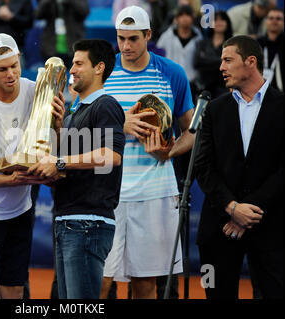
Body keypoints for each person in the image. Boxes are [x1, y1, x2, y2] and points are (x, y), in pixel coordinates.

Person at [100, 5, 195, 299]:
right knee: (99, 282)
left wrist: (169, 152)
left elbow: (192, 131)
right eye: (121, 38)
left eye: (134, 39)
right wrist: (121, 124)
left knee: (146, 285)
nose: (126, 46)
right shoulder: (101, 70)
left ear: (148, 35)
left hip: (155, 192)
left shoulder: (172, 73)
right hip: (107, 192)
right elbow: (80, 132)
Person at [0, 33, 64, 299]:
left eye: (14, 65)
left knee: (14, 289)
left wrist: (58, 126)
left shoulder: (35, 92)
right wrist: (12, 181)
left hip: (19, 209)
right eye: (2, 69)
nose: (11, 74)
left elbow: (52, 146)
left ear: (20, 59)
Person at [28, 39, 126, 299]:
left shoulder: (105, 105)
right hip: (67, 221)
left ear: (99, 68)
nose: (71, 70)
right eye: (72, 63)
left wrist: (58, 163)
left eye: (79, 63)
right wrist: (43, 166)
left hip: (87, 223)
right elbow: (67, 164)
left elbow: (111, 155)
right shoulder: (73, 115)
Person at [195, 35, 284, 299]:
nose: (220, 67)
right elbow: (203, 167)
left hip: (270, 229)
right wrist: (232, 208)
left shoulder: (282, 107)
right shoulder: (213, 109)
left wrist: (249, 212)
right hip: (219, 228)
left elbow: (283, 170)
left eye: (227, 60)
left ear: (250, 62)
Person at [157, 5, 203, 99]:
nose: (184, 18)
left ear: (192, 18)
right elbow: (158, 56)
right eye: (181, 15)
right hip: (170, 82)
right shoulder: (167, 35)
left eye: (187, 15)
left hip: (191, 84)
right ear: (176, 18)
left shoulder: (198, 36)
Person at [35, 0, 89, 69]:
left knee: (75, 76)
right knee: (52, 76)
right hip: (50, 46)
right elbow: (38, 15)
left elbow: (84, 12)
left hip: (74, 44)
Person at [194, 10, 234, 98]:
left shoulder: (232, 45)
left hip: (224, 89)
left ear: (227, 23)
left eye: (222, 20)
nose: (219, 23)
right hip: (203, 88)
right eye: (215, 20)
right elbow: (197, 62)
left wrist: (206, 60)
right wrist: (221, 60)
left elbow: (231, 64)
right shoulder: (202, 43)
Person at [257, 8, 284, 91]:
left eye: (278, 19)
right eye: (271, 18)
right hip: (259, 91)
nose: (274, 21)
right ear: (266, 22)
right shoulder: (257, 43)